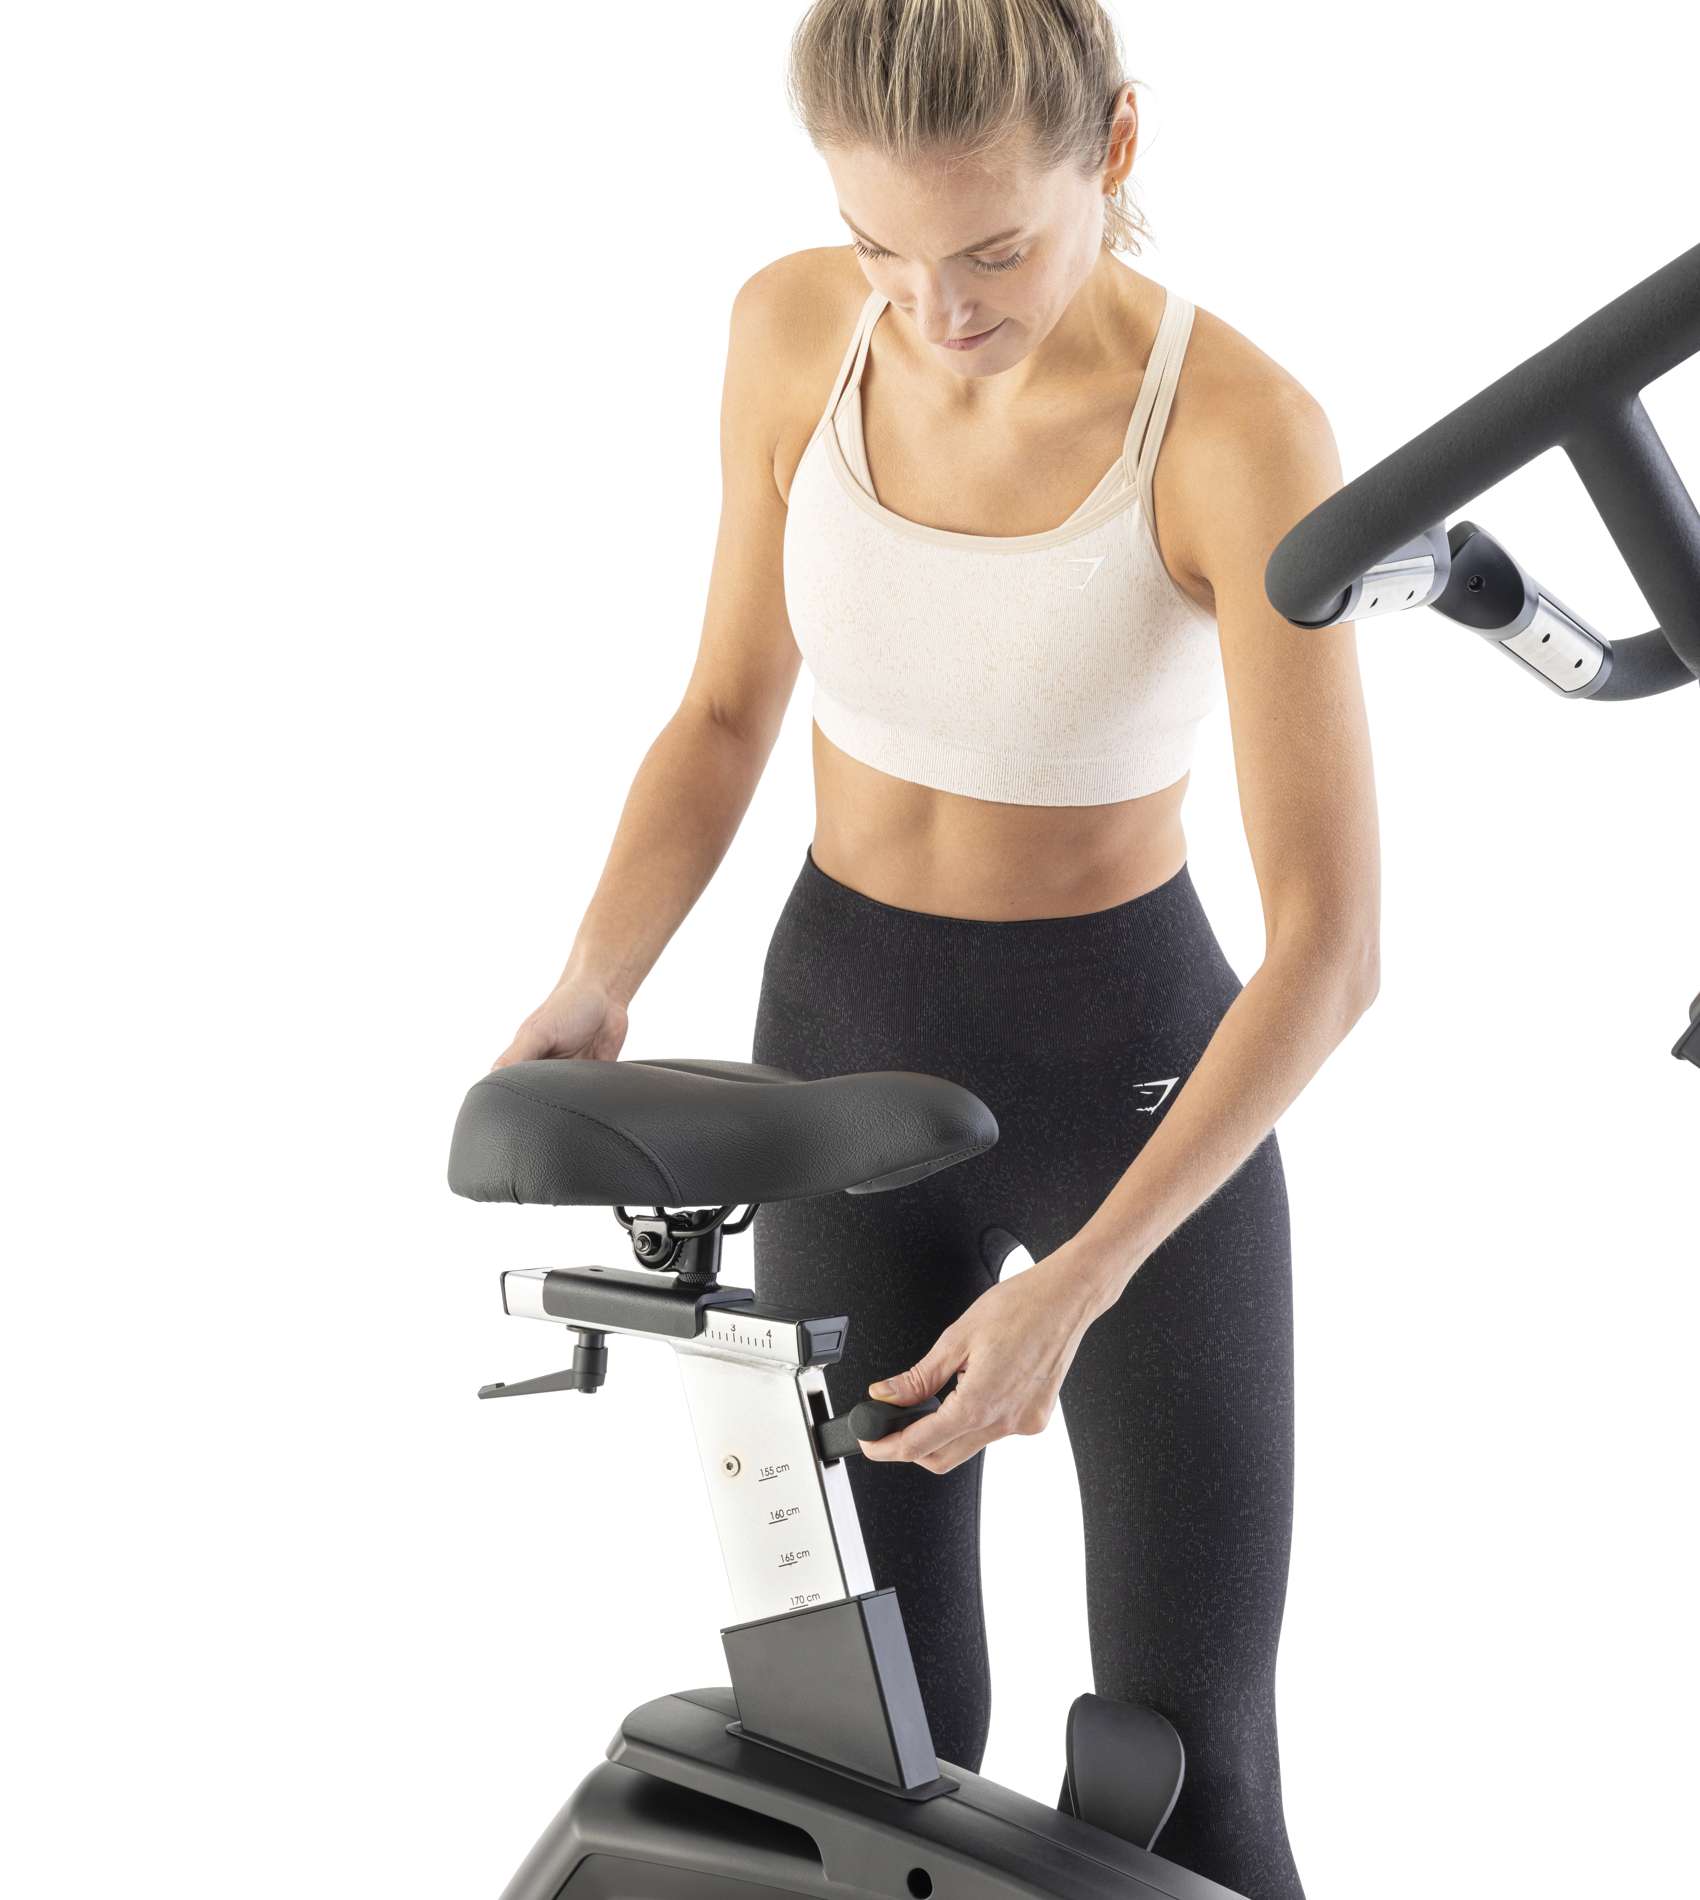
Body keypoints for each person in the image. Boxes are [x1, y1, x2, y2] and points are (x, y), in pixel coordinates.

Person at [491, 5, 1378, 1893]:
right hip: (843, 1046)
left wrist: (1086, 1282)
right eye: (881, 245)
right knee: (873, 1749)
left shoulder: (1241, 431)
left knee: (1188, 1775)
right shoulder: (791, 330)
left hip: (1135, 1079)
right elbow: (723, 712)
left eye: (993, 250)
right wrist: (597, 973)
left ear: (1113, 150)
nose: (936, 308)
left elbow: (1331, 946)